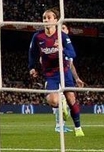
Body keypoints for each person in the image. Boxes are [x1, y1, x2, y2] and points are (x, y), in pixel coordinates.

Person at [28, 8, 84, 137]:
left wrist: (62, 49)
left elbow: (72, 53)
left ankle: (78, 128)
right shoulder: (37, 36)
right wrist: (32, 67)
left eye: (49, 17)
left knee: (71, 98)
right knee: (53, 101)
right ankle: (61, 104)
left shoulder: (62, 36)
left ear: (56, 20)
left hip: (64, 72)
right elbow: (32, 53)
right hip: (50, 74)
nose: (46, 20)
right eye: (44, 18)